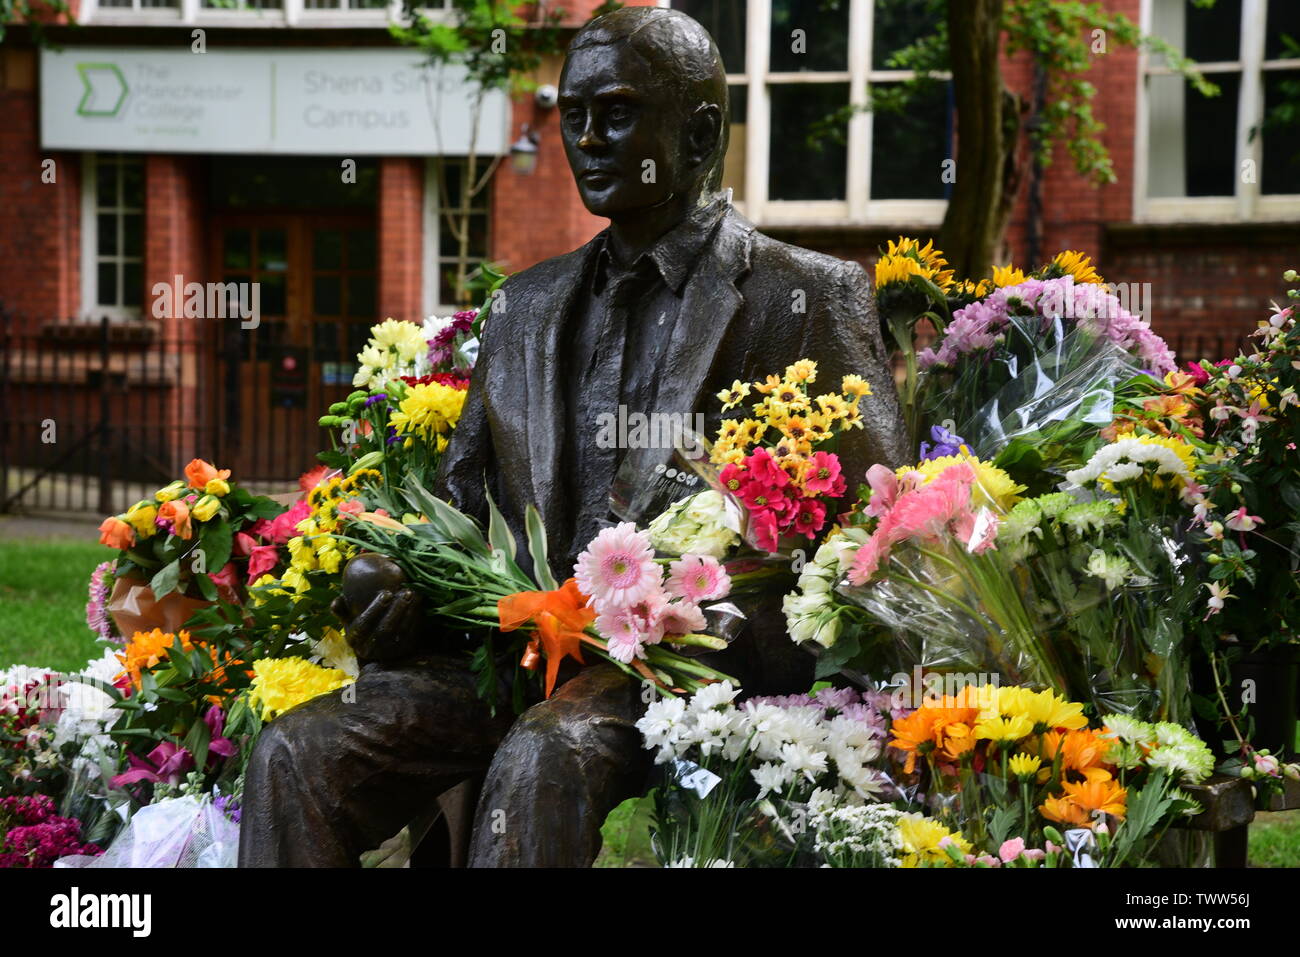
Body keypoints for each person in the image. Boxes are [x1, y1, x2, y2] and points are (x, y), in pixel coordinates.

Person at [238, 6, 908, 868]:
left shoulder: (802, 297)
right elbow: (461, 503)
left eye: (618, 113)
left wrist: (725, 615)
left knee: (546, 754)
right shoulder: (526, 307)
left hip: (693, 666)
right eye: (573, 115)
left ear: (700, 133)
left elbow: (877, 544)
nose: (588, 139)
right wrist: (394, 579)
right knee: (298, 749)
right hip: (519, 645)